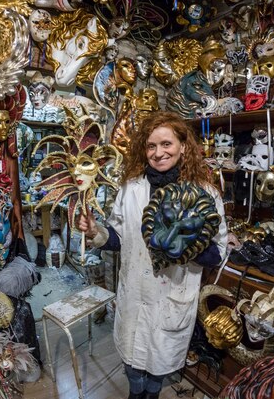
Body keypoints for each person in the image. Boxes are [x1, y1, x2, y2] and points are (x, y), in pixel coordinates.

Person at [78, 111, 227, 399]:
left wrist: (187, 241)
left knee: (159, 364)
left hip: (172, 296)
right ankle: (136, 393)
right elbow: (118, 238)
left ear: (183, 146)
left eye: (166, 144)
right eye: (151, 146)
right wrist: (96, 231)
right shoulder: (132, 189)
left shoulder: (205, 194)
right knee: (133, 364)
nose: (158, 153)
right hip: (134, 293)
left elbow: (217, 254)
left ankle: (153, 393)